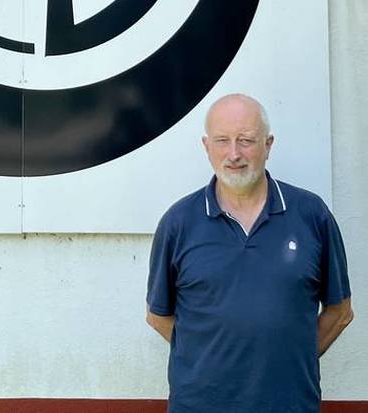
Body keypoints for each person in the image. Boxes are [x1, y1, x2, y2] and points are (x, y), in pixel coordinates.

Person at [146, 94, 353, 413]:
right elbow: (158, 315)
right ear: (206, 146)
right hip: (200, 405)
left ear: (268, 145)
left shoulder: (312, 215)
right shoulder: (178, 222)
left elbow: (339, 312)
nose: (234, 154)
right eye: (222, 141)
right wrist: (208, 358)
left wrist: (290, 357)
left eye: (245, 140)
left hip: (289, 405)